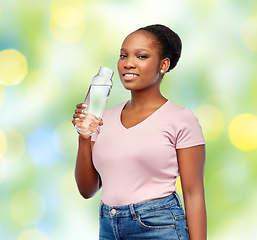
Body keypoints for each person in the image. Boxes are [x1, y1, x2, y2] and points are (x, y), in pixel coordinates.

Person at [72, 24, 206, 240]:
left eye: (141, 56)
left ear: (163, 65)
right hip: (109, 226)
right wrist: (83, 137)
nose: (128, 64)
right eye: (123, 55)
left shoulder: (181, 119)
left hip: (160, 226)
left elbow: (194, 194)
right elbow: (87, 189)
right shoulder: (103, 118)